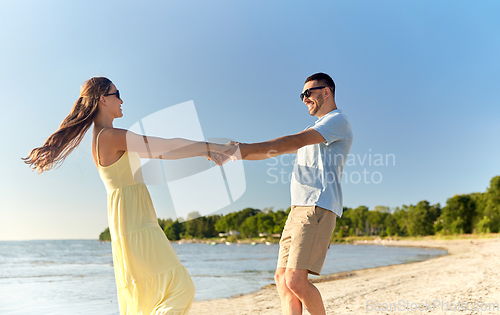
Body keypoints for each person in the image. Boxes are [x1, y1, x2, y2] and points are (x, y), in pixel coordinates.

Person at [23, 77, 233, 315]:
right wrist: (208, 147)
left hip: (131, 221)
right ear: (103, 99)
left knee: (151, 297)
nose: (122, 100)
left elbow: (164, 149)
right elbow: (164, 147)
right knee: (180, 289)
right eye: (117, 94)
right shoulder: (110, 137)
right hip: (135, 223)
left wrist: (205, 150)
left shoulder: (103, 136)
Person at [230, 73, 353, 315]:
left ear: (326, 91)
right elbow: (274, 151)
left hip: (317, 205)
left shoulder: (338, 121)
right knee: (282, 279)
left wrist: (240, 150)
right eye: (302, 95)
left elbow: (291, 141)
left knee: (296, 280)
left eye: (308, 93)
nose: (304, 99)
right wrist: (238, 153)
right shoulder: (317, 128)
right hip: (298, 208)